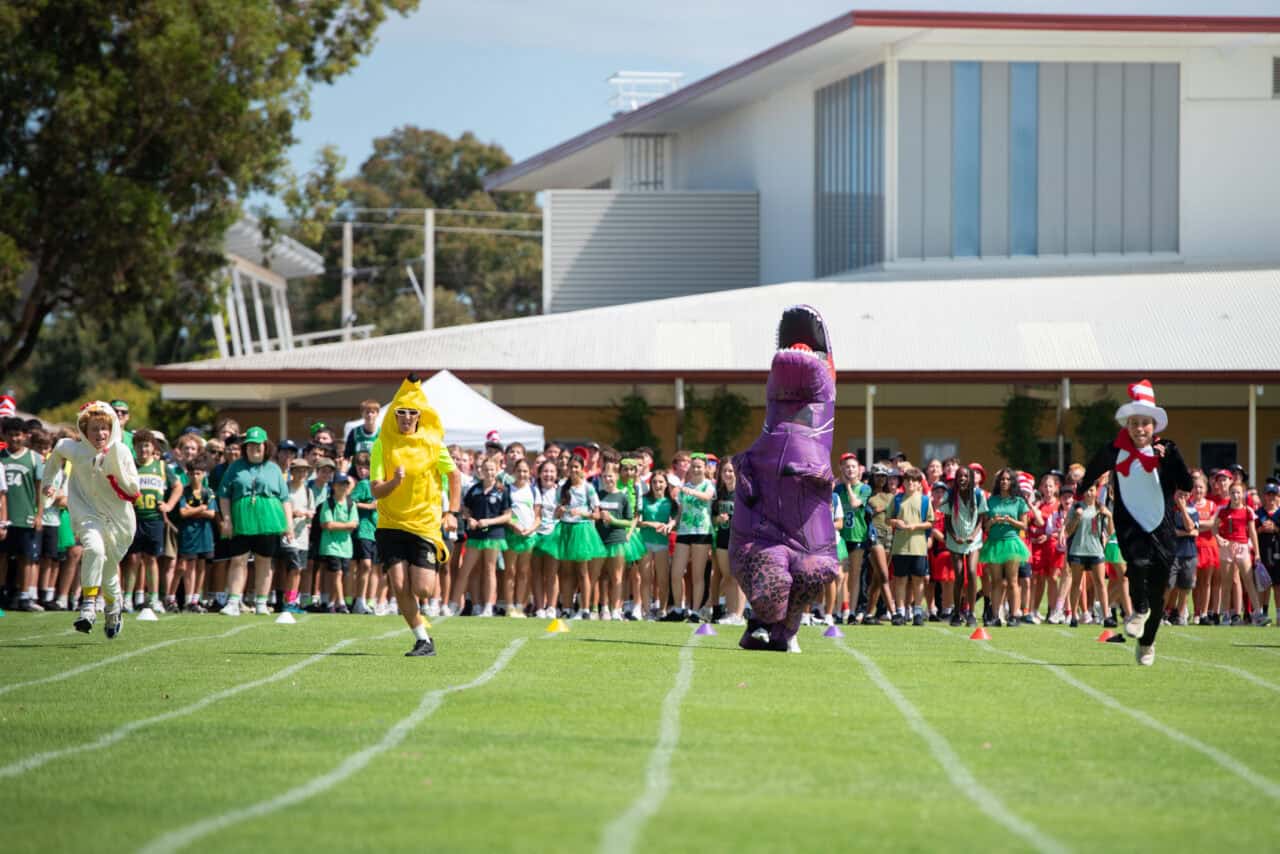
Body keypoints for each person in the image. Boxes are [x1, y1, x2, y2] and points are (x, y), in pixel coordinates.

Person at [1081, 380, 1194, 665]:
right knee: (1137, 565)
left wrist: (1170, 459)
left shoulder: (1166, 450)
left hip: (1162, 526)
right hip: (1129, 522)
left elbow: (1186, 483)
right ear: (1127, 425)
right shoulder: (1114, 449)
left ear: (1153, 426)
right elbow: (1092, 469)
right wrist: (1081, 489)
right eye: (1134, 423)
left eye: (1145, 423)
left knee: (1158, 592)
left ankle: (1147, 643)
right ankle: (1138, 609)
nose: (1139, 429)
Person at [371, 374, 461, 656]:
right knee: (399, 585)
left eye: (412, 412)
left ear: (420, 416)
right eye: (402, 412)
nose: (407, 417)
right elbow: (376, 490)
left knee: (423, 590)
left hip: (424, 524)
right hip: (391, 523)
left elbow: (455, 476)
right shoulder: (382, 445)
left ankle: (423, 584)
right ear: (394, 415)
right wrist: (394, 483)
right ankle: (423, 639)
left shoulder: (433, 445)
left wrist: (452, 512)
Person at [43, 402, 138, 638]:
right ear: (84, 429)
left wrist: (113, 472)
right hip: (86, 512)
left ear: (112, 429)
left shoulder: (120, 451)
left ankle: (113, 607)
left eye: (104, 428)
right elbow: (56, 456)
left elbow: (134, 490)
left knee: (108, 570)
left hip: (119, 520)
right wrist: (49, 484)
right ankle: (88, 605)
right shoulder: (73, 449)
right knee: (94, 549)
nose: (100, 434)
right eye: (94, 428)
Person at [217, 426, 293, 616]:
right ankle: (233, 602)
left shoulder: (274, 468)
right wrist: (227, 519)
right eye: (250, 445)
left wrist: (289, 525)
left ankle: (261, 602)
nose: (255, 448)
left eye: (258, 444)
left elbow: (285, 498)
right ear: (245, 447)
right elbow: (224, 495)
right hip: (241, 519)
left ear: (266, 446)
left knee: (264, 561)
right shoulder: (235, 466)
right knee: (238, 559)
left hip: (269, 519)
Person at [122, 430, 182, 614]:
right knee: (133, 559)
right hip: (134, 519)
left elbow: (178, 486)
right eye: (139, 446)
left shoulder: (161, 467)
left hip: (154, 519)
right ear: (134, 447)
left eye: (146, 445)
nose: (143, 449)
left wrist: (169, 505)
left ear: (153, 447)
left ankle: (154, 599)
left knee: (151, 559)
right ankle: (127, 599)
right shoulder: (129, 466)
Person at [456, 457, 511, 617]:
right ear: (481, 471)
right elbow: (465, 509)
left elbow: (507, 515)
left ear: (497, 470)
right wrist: (469, 519)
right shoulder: (474, 489)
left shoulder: (502, 490)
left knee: (489, 570)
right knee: (466, 569)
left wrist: (489, 521)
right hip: (475, 535)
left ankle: (488, 606)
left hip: (494, 535)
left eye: (492, 469)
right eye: (486, 469)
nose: (489, 472)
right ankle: (455, 605)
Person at [1, 416, 45, 611]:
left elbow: (40, 489)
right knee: (2, 555)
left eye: (18, 435)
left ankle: (25, 595)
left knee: (26, 557)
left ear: (25, 436)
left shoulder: (34, 458)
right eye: (10, 435)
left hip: (26, 515)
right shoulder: (1, 457)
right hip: (4, 516)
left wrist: (39, 514)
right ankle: (2, 593)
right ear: (4, 436)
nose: (14, 439)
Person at [553, 452, 604, 619]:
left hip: (582, 530)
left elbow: (597, 514)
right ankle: (566, 608)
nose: (573, 470)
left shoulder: (588, 487)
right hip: (565, 529)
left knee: (583, 572)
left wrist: (583, 513)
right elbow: (555, 514)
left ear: (582, 468)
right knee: (566, 572)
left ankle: (585, 609)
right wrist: (560, 511)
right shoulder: (562, 487)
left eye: (576, 467)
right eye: (571, 467)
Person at [979, 467, 1032, 627]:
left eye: (1008, 479)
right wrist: (992, 521)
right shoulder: (991, 501)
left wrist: (1010, 521)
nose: (1005, 482)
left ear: (1013, 482)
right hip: (994, 543)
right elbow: (985, 527)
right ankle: (995, 616)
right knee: (996, 582)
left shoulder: (1019, 501)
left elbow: (1024, 526)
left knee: (1012, 581)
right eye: (1002, 479)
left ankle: (1014, 615)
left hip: (1011, 543)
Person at [1212, 481, 1267, 625]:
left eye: (1238, 492)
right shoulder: (1223, 510)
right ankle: (1225, 615)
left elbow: (1253, 532)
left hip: (1242, 547)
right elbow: (1214, 528)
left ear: (1243, 494)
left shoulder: (1248, 510)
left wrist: (1257, 553)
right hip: (1227, 548)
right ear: (1229, 494)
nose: (1235, 495)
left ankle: (1258, 614)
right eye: (1233, 493)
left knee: (1249, 581)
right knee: (1226, 583)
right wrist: (1219, 538)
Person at [670, 453, 716, 623]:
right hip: (684, 531)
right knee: (676, 573)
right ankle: (678, 609)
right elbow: (680, 512)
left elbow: (707, 497)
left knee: (697, 575)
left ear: (705, 468)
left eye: (699, 467)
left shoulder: (708, 485)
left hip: (702, 532)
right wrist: (671, 523)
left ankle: (696, 611)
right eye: (693, 466)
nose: (696, 469)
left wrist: (691, 491)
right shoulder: (685, 487)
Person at [1061, 482, 1112, 627]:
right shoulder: (1076, 507)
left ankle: (1106, 616)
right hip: (1078, 550)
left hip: (1096, 551)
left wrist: (1109, 516)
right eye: (1086, 490)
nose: (1089, 493)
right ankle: (1073, 616)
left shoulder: (1100, 508)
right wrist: (1077, 518)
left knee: (1100, 583)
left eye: (1091, 490)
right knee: (1076, 583)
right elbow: (1068, 531)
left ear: (1096, 491)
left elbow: (1111, 531)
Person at [942, 464, 987, 628]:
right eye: (959, 476)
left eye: (966, 476)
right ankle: (956, 612)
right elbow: (947, 520)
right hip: (955, 539)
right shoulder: (950, 494)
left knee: (972, 572)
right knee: (959, 575)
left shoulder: (978, 494)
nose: (962, 479)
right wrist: (955, 537)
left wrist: (973, 535)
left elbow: (981, 518)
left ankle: (971, 613)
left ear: (971, 478)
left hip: (973, 539)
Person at [888, 468, 932, 626]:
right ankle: (900, 611)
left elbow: (930, 522)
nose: (910, 483)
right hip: (900, 547)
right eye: (907, 480)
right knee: (900, 579)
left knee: (918, 580)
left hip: (918, 547)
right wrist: (895, 522)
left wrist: (916, 526)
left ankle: (917, 611)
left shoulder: (925, 500)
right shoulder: (897, 499)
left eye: (914, 480)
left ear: (919, 483)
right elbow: (888, 519)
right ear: (904, 483)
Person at [176, 454, 217, 613]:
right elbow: (183, 512)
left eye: (198, 473)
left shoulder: (208, 492)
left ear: (204, 474)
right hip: (189, 533)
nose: (195, 476)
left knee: (202, 566)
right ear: (187, 474)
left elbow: (211, 513)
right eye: (192, 473)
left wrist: (192, 510)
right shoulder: (184, 492)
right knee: (190, 566)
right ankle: (188, 600)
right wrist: (201, 508)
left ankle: (195, 599)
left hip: (205, 534)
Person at [834, 454, 871, 624]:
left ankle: (852, 612)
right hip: (841, 537)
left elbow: (855, 504)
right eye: (847, 467)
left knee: (855, 575)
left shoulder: (864, 489)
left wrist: (848, 486)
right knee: (841, 575)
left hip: (857, 536)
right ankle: (840, 610)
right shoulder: (837, 490)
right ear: (842, 469)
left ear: (859, 469)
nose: (850, 469)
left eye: (853, 466)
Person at [640, 469, 678, 620]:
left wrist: (669, 526)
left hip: (662, 544)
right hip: (645, 542)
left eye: (661, 482)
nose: (657, 485)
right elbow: (637, 522)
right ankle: (647, 611)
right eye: (654, 482)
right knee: (646, 578)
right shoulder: (643, 500)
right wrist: (652, 523)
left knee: (663, 580)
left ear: (666, 484)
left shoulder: (671, 503)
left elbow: (675, 521)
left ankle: (662, 610)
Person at [502, 458, 538, 618]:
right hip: (512, 534)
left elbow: (538, 516)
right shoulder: (507, 490)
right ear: (514, 472)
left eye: (525, 471)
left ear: (530, 473)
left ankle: (519, 606)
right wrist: (514, 525)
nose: (522, 474)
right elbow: (505, 513)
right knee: (510, 570)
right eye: (519, 471)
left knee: (524, 571)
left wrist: (530, 529)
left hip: (528, 536)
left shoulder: (534, 490)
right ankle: (509, 606)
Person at [318, 472, 358, 613]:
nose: (343, 487)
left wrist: (338, 525)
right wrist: (346, 525)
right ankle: (341, 603)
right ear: (334, 486)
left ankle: (330, 604)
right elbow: (327, 524)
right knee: (338, 573)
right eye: (340, 484)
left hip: (346, 547)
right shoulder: (328, 503)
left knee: (340, 575)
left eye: (346, 484)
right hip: (331, 545)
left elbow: (354, 524)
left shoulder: (351, 504)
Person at [280, 458, 315, 614]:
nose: (302, 473)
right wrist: (293, 513)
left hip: (303, 537)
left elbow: (312, 511)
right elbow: (280, 509)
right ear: (292, 472)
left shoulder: (308, 491)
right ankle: (286, 601)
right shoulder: (285, 489)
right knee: (292, 569)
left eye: (305, 471)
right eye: (299, 470)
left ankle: (291, 600)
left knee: (298, 570)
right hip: (288, 535)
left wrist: (308, 515)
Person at [348, 452, 379, 615]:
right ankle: (358, 600)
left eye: (366, 467)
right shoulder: (363, 484)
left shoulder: (377, 484)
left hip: (376, 531)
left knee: (373, 568)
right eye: (359, 467)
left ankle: (367, 600)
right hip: (363, 530)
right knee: (365, 565)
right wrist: (369, 506)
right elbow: (349, 501)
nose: (362, 470)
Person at [530, 459, 561, 619]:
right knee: (536, 572)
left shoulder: (560, 491)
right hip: (536, 534)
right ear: (539, 473)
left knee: (552, 573)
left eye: (552, 471)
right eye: (545, 471)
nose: (548, 475)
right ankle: (539, 607)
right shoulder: (532, 490)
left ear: (556, 474)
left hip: (553, 534)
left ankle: (552, 607)